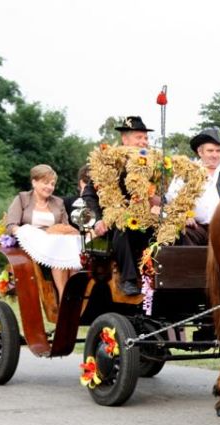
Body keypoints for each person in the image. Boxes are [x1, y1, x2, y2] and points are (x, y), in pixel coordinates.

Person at [82, 116, 158, 295]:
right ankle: (129, 280)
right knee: (122, 227)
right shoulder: (107, 164)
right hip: (114, 222)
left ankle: (165, 279)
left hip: (145, 220)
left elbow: (159, 194)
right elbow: (89, 196)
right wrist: (98, 221)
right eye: (139, 137)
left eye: (146, 138)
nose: (144, 142)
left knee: (171, 232)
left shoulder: (151, 165)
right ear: (125, 139)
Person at [6, 164, 81, 300]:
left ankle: (73, 291)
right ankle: (64, 295)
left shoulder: (58, 202)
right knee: (56, 246)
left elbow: (65, 226)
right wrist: (22, 231)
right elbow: (11, 225)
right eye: (45, 183)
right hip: (33, 239)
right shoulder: (22, 199)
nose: (49, 187)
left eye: (52, 184)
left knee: (67, 243)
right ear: (34, 182)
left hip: (55, 239)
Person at [166, 127, 220, 245]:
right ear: (200, 152)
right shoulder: (187, 171)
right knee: (181, 232)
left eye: (218, 151)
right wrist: (183, 216)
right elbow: (171, 198)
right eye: (210, 151)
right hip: (196, 228)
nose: (215, 155)